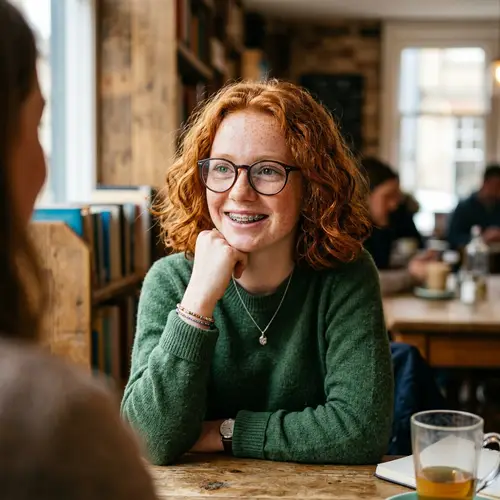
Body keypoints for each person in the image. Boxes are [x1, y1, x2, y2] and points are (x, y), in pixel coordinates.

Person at [121, 80, 394, 466]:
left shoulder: (346, 275)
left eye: (267, 170)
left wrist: (224, 432)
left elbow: (361, 431)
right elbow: (146, 440)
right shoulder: (171, 280)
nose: (239, 192)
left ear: (313, 184)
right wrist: (197, 302)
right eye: (222, 168)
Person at [0, 2, 157, 498]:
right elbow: (154, 433)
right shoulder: (47, 414)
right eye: (38, 126)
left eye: (267, 170)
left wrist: (221, 429)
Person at [361, 157, 433, 295]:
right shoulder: (347, 232)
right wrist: (411, 275)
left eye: (396, 197)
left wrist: (415, 260)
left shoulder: (387, 222)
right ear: (365, 196)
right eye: (387, 197)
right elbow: (364, 283)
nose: (394, 205)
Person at [447, 164, 500, 248]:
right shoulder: (464, 208)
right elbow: (452, 238)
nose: (498, 191)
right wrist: (481, 239)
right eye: (496, 186)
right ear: (485, 183)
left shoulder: (497, 208)